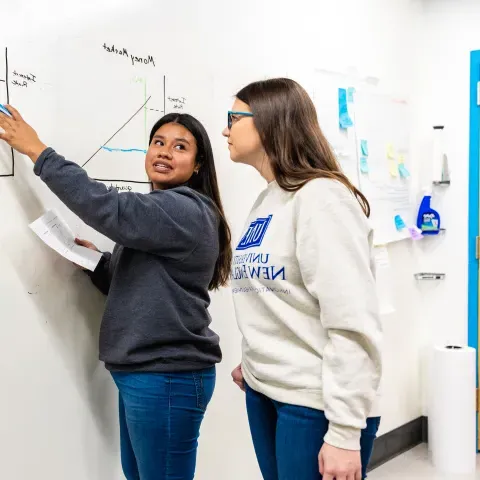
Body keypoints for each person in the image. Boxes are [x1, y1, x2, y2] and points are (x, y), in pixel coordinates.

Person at [0, 106, 232, 480]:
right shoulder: (163, 214)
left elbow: (108, 207)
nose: (164, 152)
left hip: (167, 375)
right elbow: (143, 284)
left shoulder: (183, 209)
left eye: (179, 147)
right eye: (158, 142)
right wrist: (96, 261)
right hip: (146, 372)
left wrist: (37, 151)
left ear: (198, 164)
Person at [223, 78, 382, 480]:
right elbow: (274, 294)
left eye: (233, 117)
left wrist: (345, 433)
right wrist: (257, 358)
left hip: (316, 402)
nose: (225, 129)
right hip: (265, 390)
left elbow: (353, 322)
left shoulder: (322, 198)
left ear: (268, 122)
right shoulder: (270, 197)